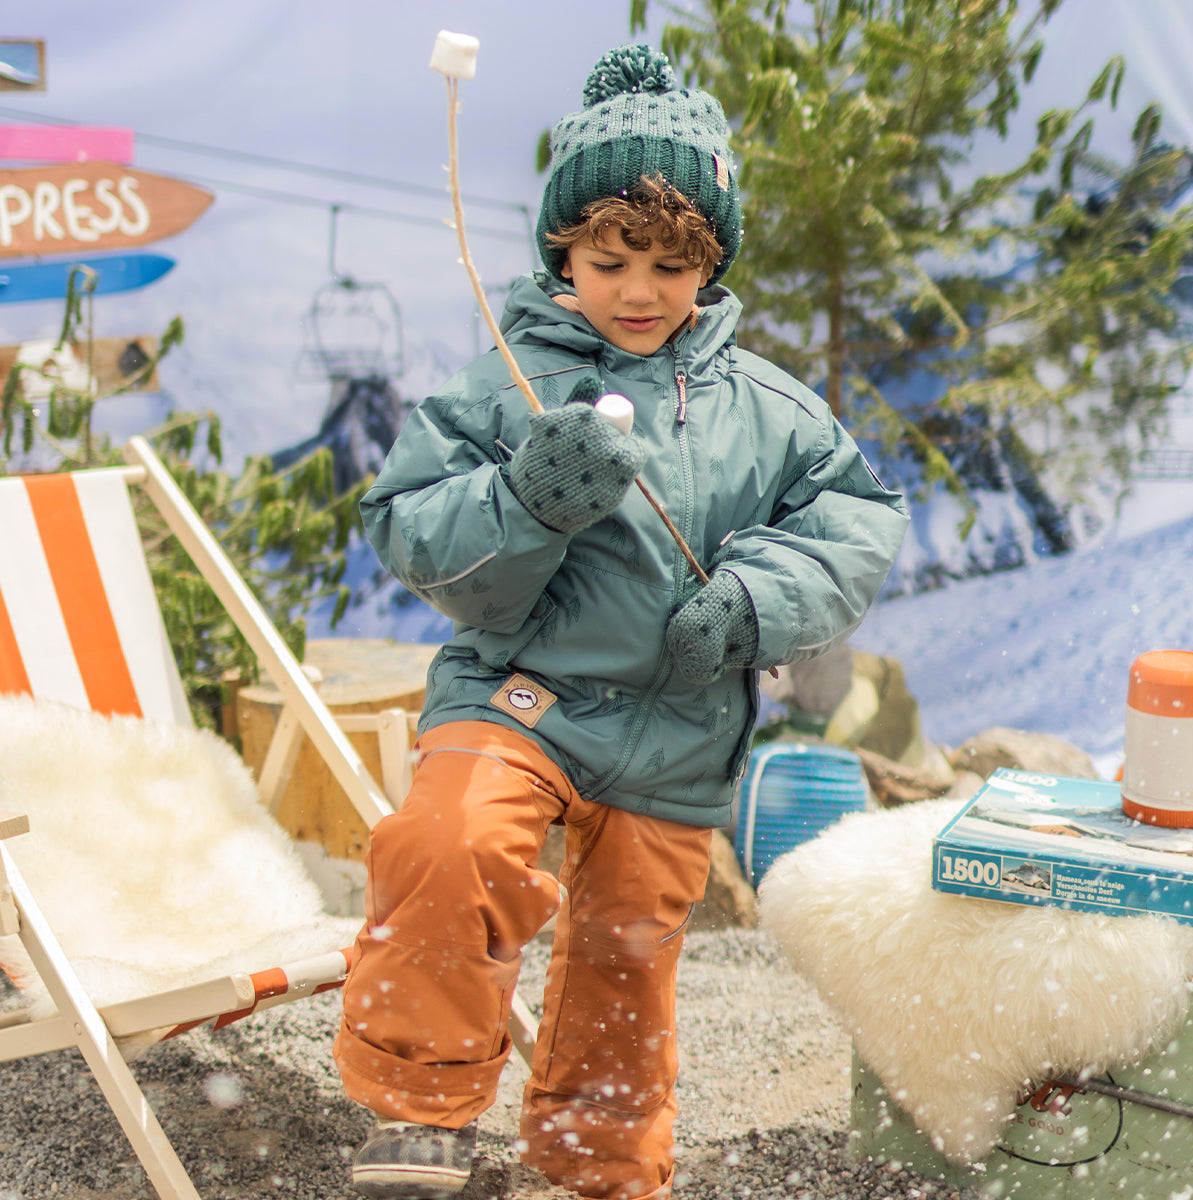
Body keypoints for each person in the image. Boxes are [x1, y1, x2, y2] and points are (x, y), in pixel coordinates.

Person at [334, 42, 910, 1200]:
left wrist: (754, 603)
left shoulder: (772, 410)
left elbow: (856, 525)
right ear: (565, 252)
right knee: (448, 844)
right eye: (609, 260)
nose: (639, 290)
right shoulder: (503, 384)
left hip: (673, 730)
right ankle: (424, 1107)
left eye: (669, 264)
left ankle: (596, 1164)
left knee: (623, 960)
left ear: (712, 263)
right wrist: (523, 498)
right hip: (519, 691)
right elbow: (407, 523)